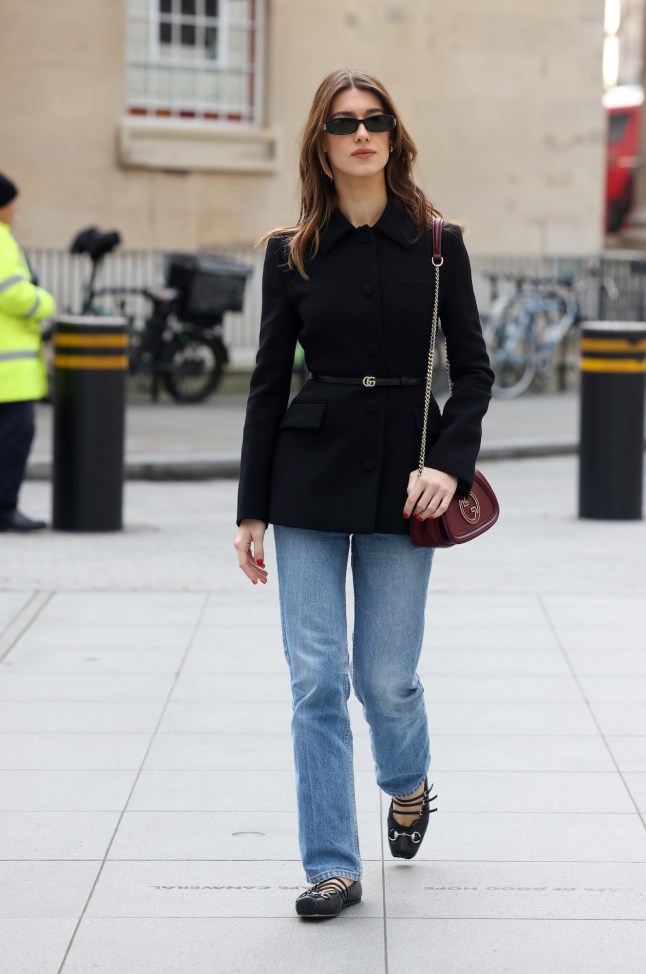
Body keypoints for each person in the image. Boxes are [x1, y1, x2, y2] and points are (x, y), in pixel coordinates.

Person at [234, 69, 494, 919]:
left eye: (375, 119)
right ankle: (333, 865)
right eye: (345, 123)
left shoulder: (440, 243)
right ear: (322, 141)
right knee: (315, 680)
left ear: (393, 134)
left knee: (384, 680)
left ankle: (408, 780)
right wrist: (250, 509)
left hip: (407, 487)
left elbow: (476, 372)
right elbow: (268, 386)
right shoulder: (290, 252)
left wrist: (448, 465)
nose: (362, 133)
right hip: (306, 481)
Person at [0, 172, 55, 532]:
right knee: (13, 443)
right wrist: (45, 303)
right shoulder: (1, 240)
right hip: (10, 375)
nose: (17, 208)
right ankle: (5, 508)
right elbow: (12, 292)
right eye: (12, 201)